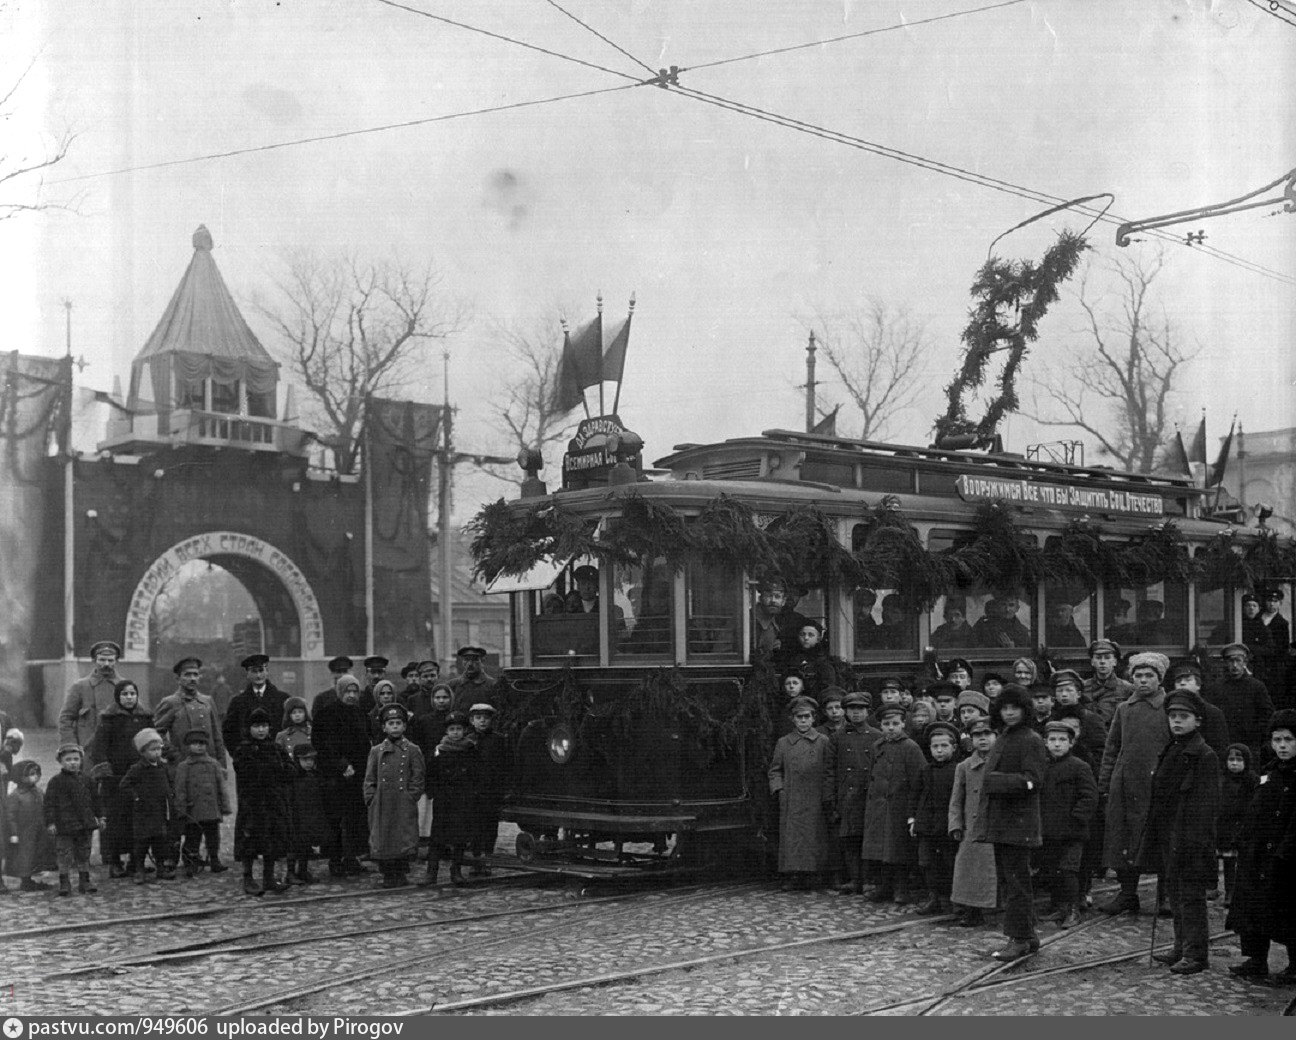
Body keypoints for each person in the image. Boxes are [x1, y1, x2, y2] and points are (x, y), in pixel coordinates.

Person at [1137, 687, 1220, 975]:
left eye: (1183, 717)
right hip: (1168, 834)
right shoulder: (1172, 749)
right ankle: (1180, 946)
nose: (1176, 721)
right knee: (1173, 891)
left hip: (1190, 837)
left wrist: (1193, 841)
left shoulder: (1204, 755)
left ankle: (1196, 955)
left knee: (1191, 896)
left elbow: (1205, 805)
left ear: (1197, 721)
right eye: (1172, 716)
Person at [975, 683, 1048, 960]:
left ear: (1024, 709)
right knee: (1012, 881)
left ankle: (1018, 938)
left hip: (1018, 824)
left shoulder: (1030, 739)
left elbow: (1034, 780)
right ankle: (1027, 935)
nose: (1009, 713)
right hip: (1004, 822)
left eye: (1014, 708)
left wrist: (996, 782)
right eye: (1004, 708)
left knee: (1017, 883)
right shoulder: (1006, 736)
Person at [1225, 709, 1296, 985]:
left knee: (1288, 910)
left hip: (1286, 856)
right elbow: (1255, 810)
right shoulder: (1269, 774)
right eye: (1277, 740)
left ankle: (1294, 964)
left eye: (1288, 740)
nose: (1282, 746)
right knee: (1253, 907)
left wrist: (1285, 851)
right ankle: (1255, 959)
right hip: (1258, 854)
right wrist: (1243, 837)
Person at [1097, 651, 1171, 916]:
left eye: (1149, 676)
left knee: (1159, 841)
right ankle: (1128, 894)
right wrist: (1105, 783)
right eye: (1138, 676)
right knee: (1124, 838)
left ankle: (1165, 896)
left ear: (1160, 679)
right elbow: (1112, 747)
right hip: (1126, 784)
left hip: (1158, 786)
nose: (1142, 681)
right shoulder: (1124, 708)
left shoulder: (1169, 707)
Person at [86, 679, 154, 877]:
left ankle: (135, 861)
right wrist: (106, 771)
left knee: (138, 818)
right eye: (125, 694)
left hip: (139, 776)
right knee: (116, 821)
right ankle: (115, 862)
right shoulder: (109, 719)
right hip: (115, 778)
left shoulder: (145, 717)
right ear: (118, 697)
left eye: (132, 693)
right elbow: (98, 749)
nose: (129, 698)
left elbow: (152, 741)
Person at [1036, 721, 1098, 930]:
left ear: (1071, 743)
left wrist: (1076, 819)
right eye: (1052, 740)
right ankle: (1059, 906)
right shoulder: (1042, 767)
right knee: (1053, 870)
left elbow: (1089, 797)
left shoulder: (1080, 766)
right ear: (1045, 742)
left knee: (1069, 870)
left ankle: (1073, 910)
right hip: (1048, 830)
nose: (1057, 744)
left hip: (1072, 832)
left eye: (1062, 740)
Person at [861, 703, 924, 903]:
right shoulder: (877, 747)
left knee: (898, 850)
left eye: (895, 723)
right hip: (879, 807)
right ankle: (884, 886)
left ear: (903, 724)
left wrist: (912, 809)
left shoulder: (911, 747)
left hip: (900, 806)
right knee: (881, 849)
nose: (890, 727)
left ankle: (901, 888)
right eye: (886, 724)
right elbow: (872, 774)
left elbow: (919, 780)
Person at [767, 695, 832, 891]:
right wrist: (779, 789)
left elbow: (830, 769)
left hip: (815, 796)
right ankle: (793, 874)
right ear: (793, 720)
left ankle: (814, 874)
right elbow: (775, 770)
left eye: (807, 717)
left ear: (813, 718)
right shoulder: (784, 743)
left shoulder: (823, 741)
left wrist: (827, 794)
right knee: (792, 837)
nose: (803, 721)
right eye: (799, 717)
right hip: (791, 797)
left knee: (815, 835)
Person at [312, 674, 371, 878]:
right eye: (348, 691)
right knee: (335, 820)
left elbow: (365, 743)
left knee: (354, 819)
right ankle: (335, 860)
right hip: (335, 777)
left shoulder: (360, 713)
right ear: (339, 692)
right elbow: (322, 744)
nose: (352, 695)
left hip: (357, 776)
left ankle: (351, 858)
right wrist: (341, 764)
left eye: (355, 691)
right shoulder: (326, 714)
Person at [231, 707, 293, 896]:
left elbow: (290, 769)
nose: (261, 730)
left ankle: (269, 877)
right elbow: (248, 772)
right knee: (250, 840)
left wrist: (281, 770)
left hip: (273, 801)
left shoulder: (275, 748)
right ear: (249, 728)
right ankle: (248, 878)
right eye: (257, 726)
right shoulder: (243, 749)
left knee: (272, 839)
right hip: (252, 802)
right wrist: (271, 770)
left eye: (264, 726)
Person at [364, 704, 425, 889]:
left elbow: (418, 776)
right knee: (384, 837)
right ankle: (388, 873)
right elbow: (369, 777)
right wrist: (371, 798)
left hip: (402, 802)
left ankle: (400, 872)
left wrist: (411, 796)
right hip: (382, 802)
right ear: (384, 727)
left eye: (399, 723)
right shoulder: (376, 751)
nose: (395, 726)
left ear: (405, 726)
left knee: (403, 836)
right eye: (391, 723)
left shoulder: (413, 750)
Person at [824, 691, 879, 894]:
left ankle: (868, 880)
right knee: (849, 840)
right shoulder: (837, 738)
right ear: (846, 712)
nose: (856, 714)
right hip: (846, 796)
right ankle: (855, 879)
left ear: (867, 712)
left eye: (861, 709)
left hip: (869, 796)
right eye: (852, 710)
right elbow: (829, 771)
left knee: (868, 839)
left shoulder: (877, 736)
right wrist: (830, 799)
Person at [948, 715, 997, 927]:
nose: (983, 739)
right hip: (972, 828)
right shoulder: (964, 766)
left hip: (997, 826)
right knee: (969, 870)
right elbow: (956, 799)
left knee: (996, 869)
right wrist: (955, 824)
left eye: (987, 734)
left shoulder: (1002, 763)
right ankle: (971, 909)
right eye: (977, 735)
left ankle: (996, 907)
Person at [910, 721, 960, 915]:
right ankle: (934, 898)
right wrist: (912, 819)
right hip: (927, 825)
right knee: (927, 862)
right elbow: (915, 795)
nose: (939, 751)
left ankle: (952, 899)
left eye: (944, 746)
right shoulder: (925, 771)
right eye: (935, 747)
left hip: (947, 825)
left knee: (949, 862)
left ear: (953, 748)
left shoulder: (958, 770)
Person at [426, 710, 480, 886]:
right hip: (443, 799)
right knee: (437, 836)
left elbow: (475, 774)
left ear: (464, 730)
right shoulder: (439, 751)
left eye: (458, 729)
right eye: (452, 729)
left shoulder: (470, 750)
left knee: (460, 836)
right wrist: (433, 792)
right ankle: (431, 872)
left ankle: (456, 870)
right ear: (446, 731)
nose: (455, 732)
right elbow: (431, 773)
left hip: (462, 798)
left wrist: (471, 793)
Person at [119, 727, 178, 884]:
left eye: (159, 749)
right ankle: (139, 869)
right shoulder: (137, 769)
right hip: (143, 813)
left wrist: (171, 795)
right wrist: (136, 797)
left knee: (160, 842)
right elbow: (125, 785)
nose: (157, 753)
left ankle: (161, 867)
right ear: (143, 752)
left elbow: (170, 783)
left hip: (159, 811)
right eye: (153, 750)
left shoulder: (163, 767)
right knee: (141, 844)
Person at [44, 743, 104, 897]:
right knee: (64, 854)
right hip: (64, 825)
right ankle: (65, 883)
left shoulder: (87, 780)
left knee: (84, 854)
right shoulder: (55, 782)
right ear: (61, 762)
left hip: (84, 824)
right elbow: (49, 803)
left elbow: (96, 800)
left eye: (76, 759)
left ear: (81, 760)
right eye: (68, 759)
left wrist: (100, 816)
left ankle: (85, 881)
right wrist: (50, 822)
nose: (72, 762)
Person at [173, 729, 231, 877]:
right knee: (193, 837)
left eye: (202, 743)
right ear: (188, 746)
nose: (199, 746)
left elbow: (221, 786)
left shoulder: (213, 764)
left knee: (213, 836)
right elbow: (180, 789)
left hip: (211, 808)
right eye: (195, 743)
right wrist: (182, 808)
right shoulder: (184, 766)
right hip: (193, 809)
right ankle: (191, 863)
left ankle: (214, 860)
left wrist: (224, 805)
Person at [1208, 643, 1276, 764]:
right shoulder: (1216, 688)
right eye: (1230, 661)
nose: (1234, 665)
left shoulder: (1256, 687)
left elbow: (1267, 715)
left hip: (1251, 746)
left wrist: (1255, 735)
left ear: (1245, 662)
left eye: (1238, 661)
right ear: (1225, 663)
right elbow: (1211, 717)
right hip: (1225, 745)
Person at [154, 657, 225, 765]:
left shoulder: (207, 701)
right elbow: (156, 733)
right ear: (178, 679)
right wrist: (174, 755)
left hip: (209, 766)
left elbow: (217, 736)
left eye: (195, 674)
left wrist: (221, 764)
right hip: (183, 766)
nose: (192, 678)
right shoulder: (171, 702)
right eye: (187, 675)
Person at [57, 640, 127, 748]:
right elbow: (66, 719)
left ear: (116, 661)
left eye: (110, 660)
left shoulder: (125, 686)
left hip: (118, 748)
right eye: (102, 660)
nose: (106, 664)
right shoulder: (80, 686)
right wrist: (70, 746)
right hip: (87, 749)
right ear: (94, 660)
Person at [1215, 743, 1258, 908]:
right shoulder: (1222, 780)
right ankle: (1229, 892)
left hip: (1245, 827)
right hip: (1226, 828)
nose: (1234, 763)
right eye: (1230, 759)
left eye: (1238, 760)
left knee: (1246, 862)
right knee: (1228, 862)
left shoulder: (1252, 780)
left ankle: (1245, 891)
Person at [468, 703, 509, 872]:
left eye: (486, 718)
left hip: (492, 791)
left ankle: (488, 858)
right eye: (478, 718)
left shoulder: (499, 740)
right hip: (472, 790)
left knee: (490, 825)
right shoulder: (467, 740)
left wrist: (504, 789)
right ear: (472, 720)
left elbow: (506, 765)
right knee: (474, 825)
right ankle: (476, 859)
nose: (482, 722)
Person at [222, 654, 289, 757]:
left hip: (277, 760)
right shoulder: (238, 702)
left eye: (261, 671)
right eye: (254, 671)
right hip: (248, 762)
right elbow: (229, 732)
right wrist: (238, 755)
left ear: (267, 672)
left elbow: (289, 729)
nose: (258, 675)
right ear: (247, 674)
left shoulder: (282, 699)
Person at [6, 760, 57, 890]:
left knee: (37, 853)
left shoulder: (38, 792)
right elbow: (10, 816)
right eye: (30, 774)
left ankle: (32, 878)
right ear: (20, 777)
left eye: (36, 773)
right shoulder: (15, 796)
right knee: (25, 856)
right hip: (24, 833)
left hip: (39, 830)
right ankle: (25, 880)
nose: (34, 776)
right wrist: (13, 833)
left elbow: (46, 807)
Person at [1165, 662, 1229, 763]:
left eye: (1188, 680)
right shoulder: (1171, 711)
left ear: (1198, 685)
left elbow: (1220, 748)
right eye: (1178, 681)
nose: (1182, 683)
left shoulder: (1213, 712)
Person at [286, 743, 329, 885]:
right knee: (294, 845)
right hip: (296, 816)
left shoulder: (315, 776)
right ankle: (290, 872)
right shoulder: (292, 777)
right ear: (297, 760)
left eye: (311, 759)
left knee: (306, 844)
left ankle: (303, 870)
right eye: (305, 760)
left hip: (311, 815)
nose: (309, 763)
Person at [1083, 639, 1133, 726]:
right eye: (1098, 658)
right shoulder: (1083, 687)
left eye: (1107, 658)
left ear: (1115, 662)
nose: (1102, 662)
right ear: (1092, 662)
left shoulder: (1127, 688)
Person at [448, 646, 500, 713]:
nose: (470, 664)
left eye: (475, 660)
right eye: (466, 660)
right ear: (462, 662)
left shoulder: (492, 685)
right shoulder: (452, 685)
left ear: (482, 662)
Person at [366, 679, 400, 745]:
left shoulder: (401, 713)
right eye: (382, 693)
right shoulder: (371, 716)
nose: (386, 696)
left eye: (389, 693)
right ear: (377, 695)